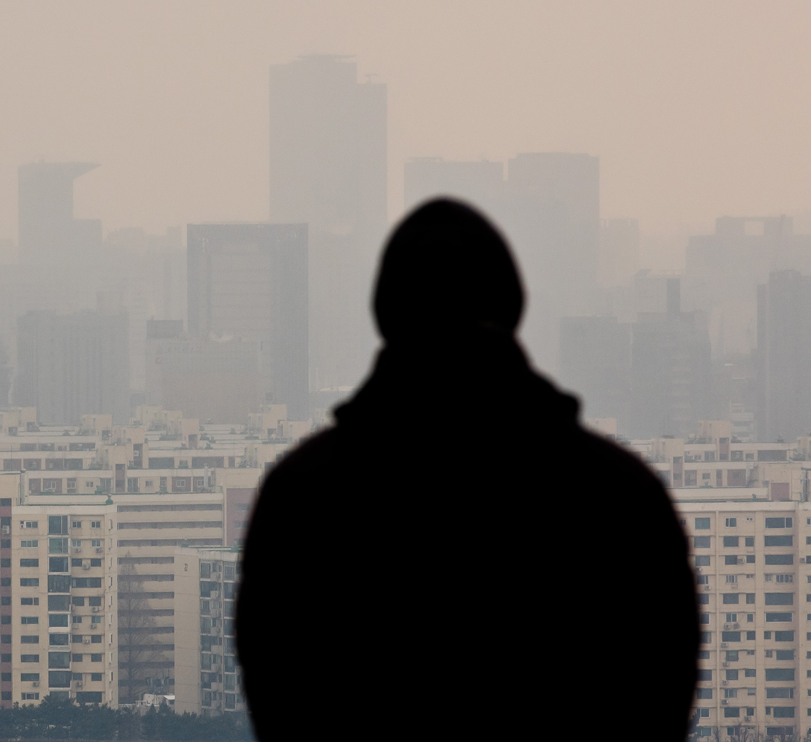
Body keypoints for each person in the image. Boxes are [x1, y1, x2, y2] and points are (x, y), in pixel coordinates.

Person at [235, 198, 697, 740]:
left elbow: (277, 693)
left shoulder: (303, 495)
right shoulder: (619, 494)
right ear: (512, 305)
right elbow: (661, 691)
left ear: (385, 311)